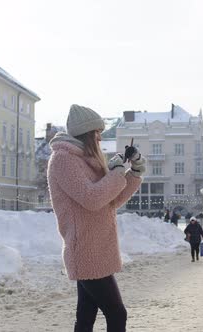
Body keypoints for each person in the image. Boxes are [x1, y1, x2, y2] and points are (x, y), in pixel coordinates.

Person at [48, 104, 146, 332]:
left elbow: (109, 201)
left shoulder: (85, 159)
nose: (101, 137)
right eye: (97, 132)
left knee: (85, 315)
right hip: (84, 250)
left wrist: (134, 173)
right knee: (117, 313)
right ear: (87, 132)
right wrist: (115, 173)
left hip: (96, 249)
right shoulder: (63, 159)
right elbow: (92, 198)